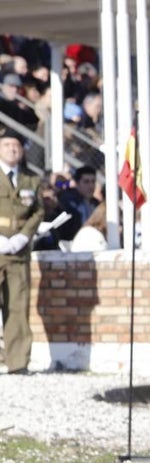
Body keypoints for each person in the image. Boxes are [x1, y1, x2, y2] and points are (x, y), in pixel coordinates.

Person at [0, 128, 43, 375]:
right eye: (6, 145)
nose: (12, 150)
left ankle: (17, 362)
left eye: (16, 146)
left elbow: (37, 212)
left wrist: (22, 236)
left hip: (17, 252)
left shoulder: (31, 179)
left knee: (17, 307)